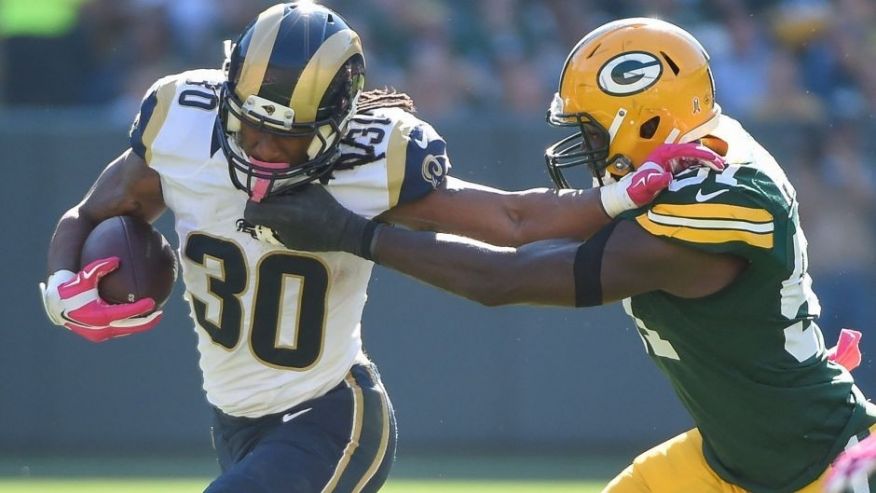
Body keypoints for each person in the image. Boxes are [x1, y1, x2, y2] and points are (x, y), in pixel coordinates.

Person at [37, 4, 713, 492]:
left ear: (336, 125)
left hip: (333, 414)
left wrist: (617, 198)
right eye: (252, 127)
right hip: (235, 420)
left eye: (291, 136)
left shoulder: (370, 159)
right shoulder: (180, 121)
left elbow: (509, 220)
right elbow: (92, 212)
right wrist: (62, 283)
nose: (267, 150)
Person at [243, 18, 876, 493]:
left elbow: (507, 278)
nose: (585, 147)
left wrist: (354, 233)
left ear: (648, 118)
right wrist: (372, 195)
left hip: (821, 465)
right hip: (733, 458)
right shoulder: (694, 151)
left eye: (594, 129)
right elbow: (520, 222)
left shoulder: (708, 203)